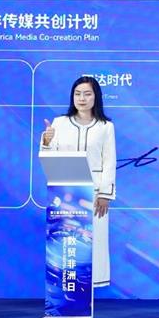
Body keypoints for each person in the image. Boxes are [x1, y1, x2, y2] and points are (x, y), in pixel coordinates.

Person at [41, 76, 117, 288]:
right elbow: (49, 157)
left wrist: (104, 194)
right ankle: (65, 285)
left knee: (93, 241)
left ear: (96, 97)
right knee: (65, 240)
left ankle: (89, 286)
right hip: (65, 193)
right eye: (77, 94)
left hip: (94, 195)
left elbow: (109, 161)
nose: (82, 98)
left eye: (87, 94)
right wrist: (46, 140)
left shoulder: (105, 126)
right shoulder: (59, 123)